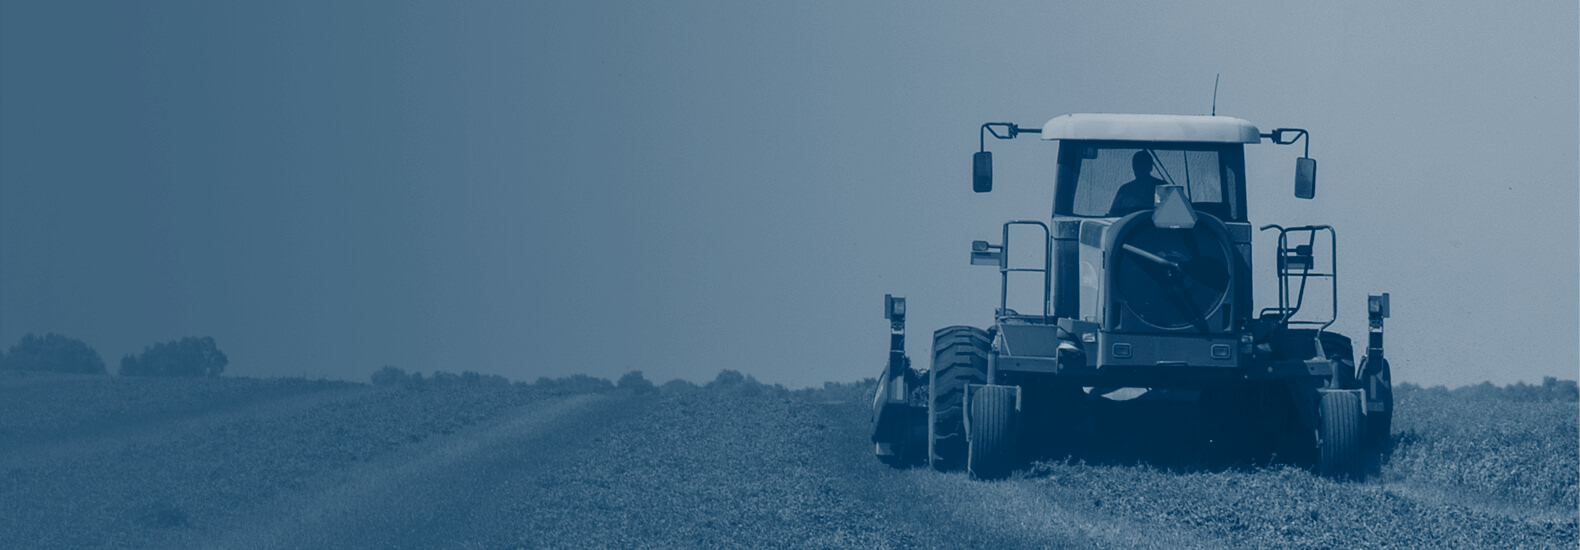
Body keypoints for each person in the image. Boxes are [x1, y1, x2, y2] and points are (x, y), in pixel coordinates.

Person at [1107, 151, 1167, 216]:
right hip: (1131, 226)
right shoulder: (1125, 191)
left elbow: (1173, 215)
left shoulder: (1163, 189)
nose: (1140, 168)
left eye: (1144, 165)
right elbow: (1114, 216)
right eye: (1137, 165)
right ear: (1133, 167)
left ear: (1150, 167)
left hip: (1158, 226)